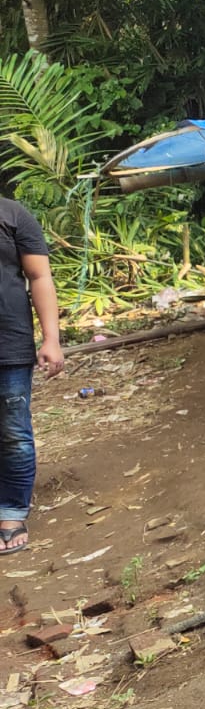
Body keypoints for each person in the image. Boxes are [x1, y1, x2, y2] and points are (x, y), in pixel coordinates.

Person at [0, 195, 64, 555]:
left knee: (13, 433)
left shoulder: (12, 215)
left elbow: (39, 276)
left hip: (8, 342)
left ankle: (10, 513)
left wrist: (51, 338)